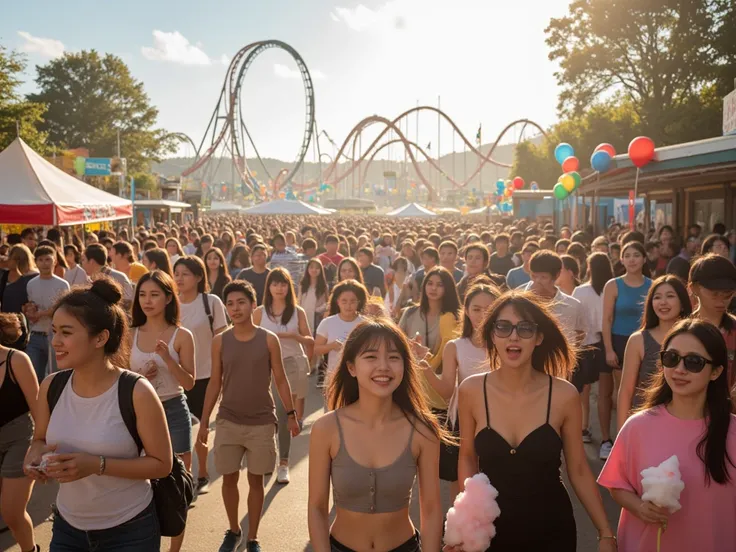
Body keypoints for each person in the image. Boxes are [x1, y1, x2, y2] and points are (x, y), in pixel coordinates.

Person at [454, 291, 616, 551]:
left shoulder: (564, 394)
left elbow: (578, 468)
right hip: (490, 531)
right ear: (492, 335)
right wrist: (465, 522)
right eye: (503, 327)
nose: (514, 336)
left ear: (539, 337)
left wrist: (606, 532)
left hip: (551, 529)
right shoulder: (471, 390)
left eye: (525, 328)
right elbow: (467, 457)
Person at [25, 278, 172, 551]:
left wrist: (97, 464)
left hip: (130, 531)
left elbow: (162, 464)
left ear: (101, 338)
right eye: (54, 331)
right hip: (68, 529)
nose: (55, 341)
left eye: (66, 333)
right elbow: (40, 439)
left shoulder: (137, 391)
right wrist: (34, 458)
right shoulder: (51, 386)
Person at [598, 319, 736, 552]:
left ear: (716, 372)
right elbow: (617, 485)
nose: (680, 370)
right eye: (671, 358)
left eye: (694, 362)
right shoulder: (638, 426)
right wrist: (639, 507)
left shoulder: (732, 432)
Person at [308, 319, 445, 552]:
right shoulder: (325, 428)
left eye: (393, 357)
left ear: (405, 365)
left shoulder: (423, 429)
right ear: (351, 367)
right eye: (371, 357)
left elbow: (431, 509)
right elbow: (317, 508)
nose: (383, 366)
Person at [197, 281, 300, 552]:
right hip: (228, 420)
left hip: (262, 422)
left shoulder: (268, 339)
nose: (235, 308)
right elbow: (214, 382)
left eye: (241, 302)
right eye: (230, 303)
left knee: (256, 481)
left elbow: (280, 378)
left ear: (253, 305)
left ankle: (252, 537)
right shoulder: (220, 341)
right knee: (228, 478)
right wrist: (205, 422)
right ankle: (233, 529)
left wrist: (291, 414)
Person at [128, 270, 195, 552]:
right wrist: (141, 374)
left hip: (174, 409)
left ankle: (174, 549)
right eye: (143, 294)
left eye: (155, 294)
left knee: (176, 488)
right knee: (141, 484)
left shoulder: (182, 335)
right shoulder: (130, 333)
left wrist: (168, 358)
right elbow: (120, 376)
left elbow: (189, 382)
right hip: (139, 411)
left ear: (168, 298)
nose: (147, 300)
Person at [421, 283, 496, 500]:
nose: (482, 314)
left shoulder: (508, 344)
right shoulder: (455, 346)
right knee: (462, 481)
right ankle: (461, 525)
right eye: (476, 309)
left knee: (496, 478)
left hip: (500, 420)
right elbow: (446, 390)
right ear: (466, 310)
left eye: (489, 308)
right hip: (463, 422)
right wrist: (425, 367)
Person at [399, 266, 460, 486]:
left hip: (439, 385)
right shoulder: (410, 313)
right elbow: (397, 343)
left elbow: (451, 353)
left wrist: (428, 356)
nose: (433, 289)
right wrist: (410, 346)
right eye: (430, 283)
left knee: (435, 447)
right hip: (412, 383)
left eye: (440, 284)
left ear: (448, 289)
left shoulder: (451, 318)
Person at [253, 268, 313, 484]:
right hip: (264, 366)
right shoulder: (260, 312)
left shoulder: (297, 311)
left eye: (283, 284)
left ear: (289, 287)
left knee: (283, 411)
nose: (279, 288)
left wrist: (295, 336)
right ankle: (270, 456)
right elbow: (250, 336)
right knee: (267, 415)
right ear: (268, 287)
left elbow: (308, 339)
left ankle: (284, 462)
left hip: (290, 365)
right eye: (275, 284)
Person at [173, 256, 228, 494]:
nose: (179, 278)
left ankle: (202, 472)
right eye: (176, 273)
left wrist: (223, 371)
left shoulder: (211, 302)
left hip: (205, 375)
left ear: (198, 277)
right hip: (174, 376)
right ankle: (181, 477)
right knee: (178, 428)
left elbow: (222, 337)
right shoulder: (169, 303)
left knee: (201, 425)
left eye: (185, 273)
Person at [618, 276, 691, 430]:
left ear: (683, 303)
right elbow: (626, 391)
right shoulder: (638, 340)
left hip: (684, 423)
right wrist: (622, 434)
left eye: (670, 296)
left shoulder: (695, 340)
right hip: (645, 423)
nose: (663, 302)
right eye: (657, 297)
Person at [600, 241, 652, 459]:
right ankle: (615, 439)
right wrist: (609, 349)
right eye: (627, 255)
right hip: (619, 342)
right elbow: (607, 319)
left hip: (645, 342)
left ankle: (640, 437)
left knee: (644, 392)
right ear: (621, 260)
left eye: (636, 255)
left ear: (644, 259)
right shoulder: (613, 284)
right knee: (623, 392)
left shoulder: (652, 285)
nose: (632, 259)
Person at [0, 314, 40, 552]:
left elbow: (38, 409)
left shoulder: (17, 360)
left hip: (20, 437)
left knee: (12, 513)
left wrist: (41, 447)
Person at [572, 253, 614, 443]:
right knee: (606, 392)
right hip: (608, 342)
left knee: (583, 390)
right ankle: (607, 437)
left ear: (589, 267)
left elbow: (575, 320)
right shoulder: (613, 289)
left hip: (585, 344)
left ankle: (583, 428)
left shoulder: (580, 291)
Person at [688, 254, 736, 394]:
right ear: (695, 288)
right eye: (714, 294)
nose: (721, 300)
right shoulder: (681, 331)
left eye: (727, 294)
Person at [25, 246, 70, 381]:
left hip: (55, 335)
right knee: (33, 377)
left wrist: (41, 314)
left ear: (54, 261)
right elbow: (31, 305)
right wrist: (30, 311)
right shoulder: (31, 284)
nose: (44, 263)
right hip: (35, 335)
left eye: (48, 259)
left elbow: (62, 309)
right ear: (36, 262)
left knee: (56, 377)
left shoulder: (62, 284)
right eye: (41, 260)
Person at [314, 280, 368, 383]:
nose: (348, 305)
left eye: (353, 301)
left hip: (361, 377)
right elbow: (316, 349)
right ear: (337, 301)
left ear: (358, 302)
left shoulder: (365, 323)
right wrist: (332, 346)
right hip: (334, 377)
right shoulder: (327, 323)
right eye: (344, 301)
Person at [81, 244, 134, 308]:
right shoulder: (87, 280)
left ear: (91, 261)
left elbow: (128, 303)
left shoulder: (119, 277)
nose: (82, 264)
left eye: (83, 260)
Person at [1, 244, 38, 318]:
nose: (8, 260)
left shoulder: (33, 277)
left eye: (10, 257)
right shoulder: (6, 275)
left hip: (25, 321)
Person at [298, 258, 329, 335]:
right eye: (311, 267)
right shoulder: (302, 285)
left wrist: (317, 310)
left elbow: (327, 303)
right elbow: (299, 301)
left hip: (317, 318)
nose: (314, 270)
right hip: (303, 315)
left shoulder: (323, 286)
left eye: (317, 268)